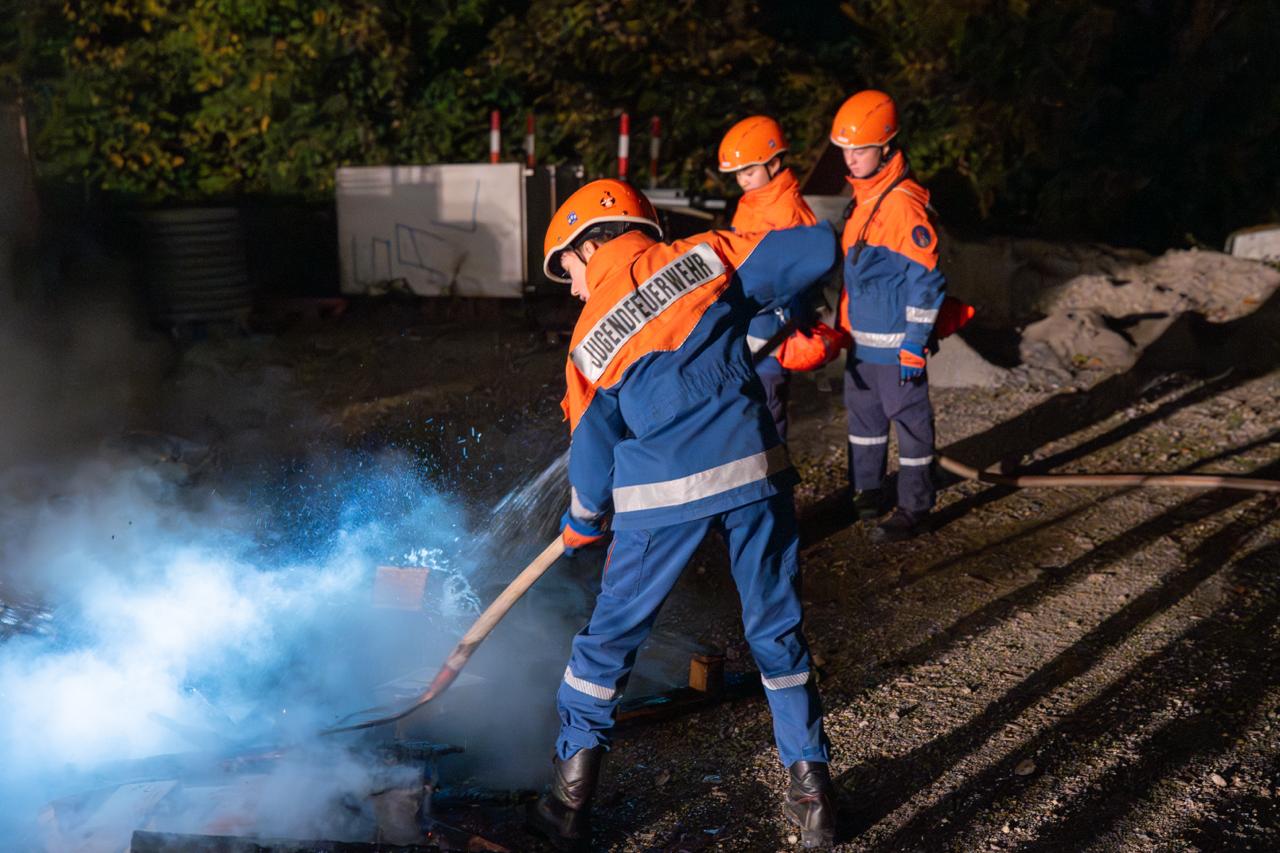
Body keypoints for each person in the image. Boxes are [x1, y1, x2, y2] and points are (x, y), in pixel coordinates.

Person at [528, 179, 838, 850]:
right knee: (776, 632)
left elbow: (592, 454)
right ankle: (813, 793)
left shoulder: (587, 340)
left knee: (605, 646)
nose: (574, 289)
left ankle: (567, 804)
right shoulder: (702, 255)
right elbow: (817, 247)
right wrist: (765, 310)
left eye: (570, 270)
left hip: (659, 501)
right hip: (754, 472)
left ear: (593, 243)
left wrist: (583, 519)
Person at [830, 90, 946, 543]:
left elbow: (928, 280)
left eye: (860, 149)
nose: (851, 159)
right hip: (864, 346)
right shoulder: (865, 199)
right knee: (865, 428)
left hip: (897, 348)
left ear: (886, 146)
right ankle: (866, 495)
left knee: (912, 429)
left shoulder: (900, 205)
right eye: (846, 149)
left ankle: (916, 506)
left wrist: (915, 343)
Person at [718, 115, 819, 443]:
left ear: (774, 164)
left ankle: (776, 491)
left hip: (772, 332)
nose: (742, 180)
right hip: (746, 328)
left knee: (768, 415)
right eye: (738, 174)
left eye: (749, 171)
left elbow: (801, 278)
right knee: (747, 416)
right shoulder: (749, 205)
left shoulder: (790, 211)